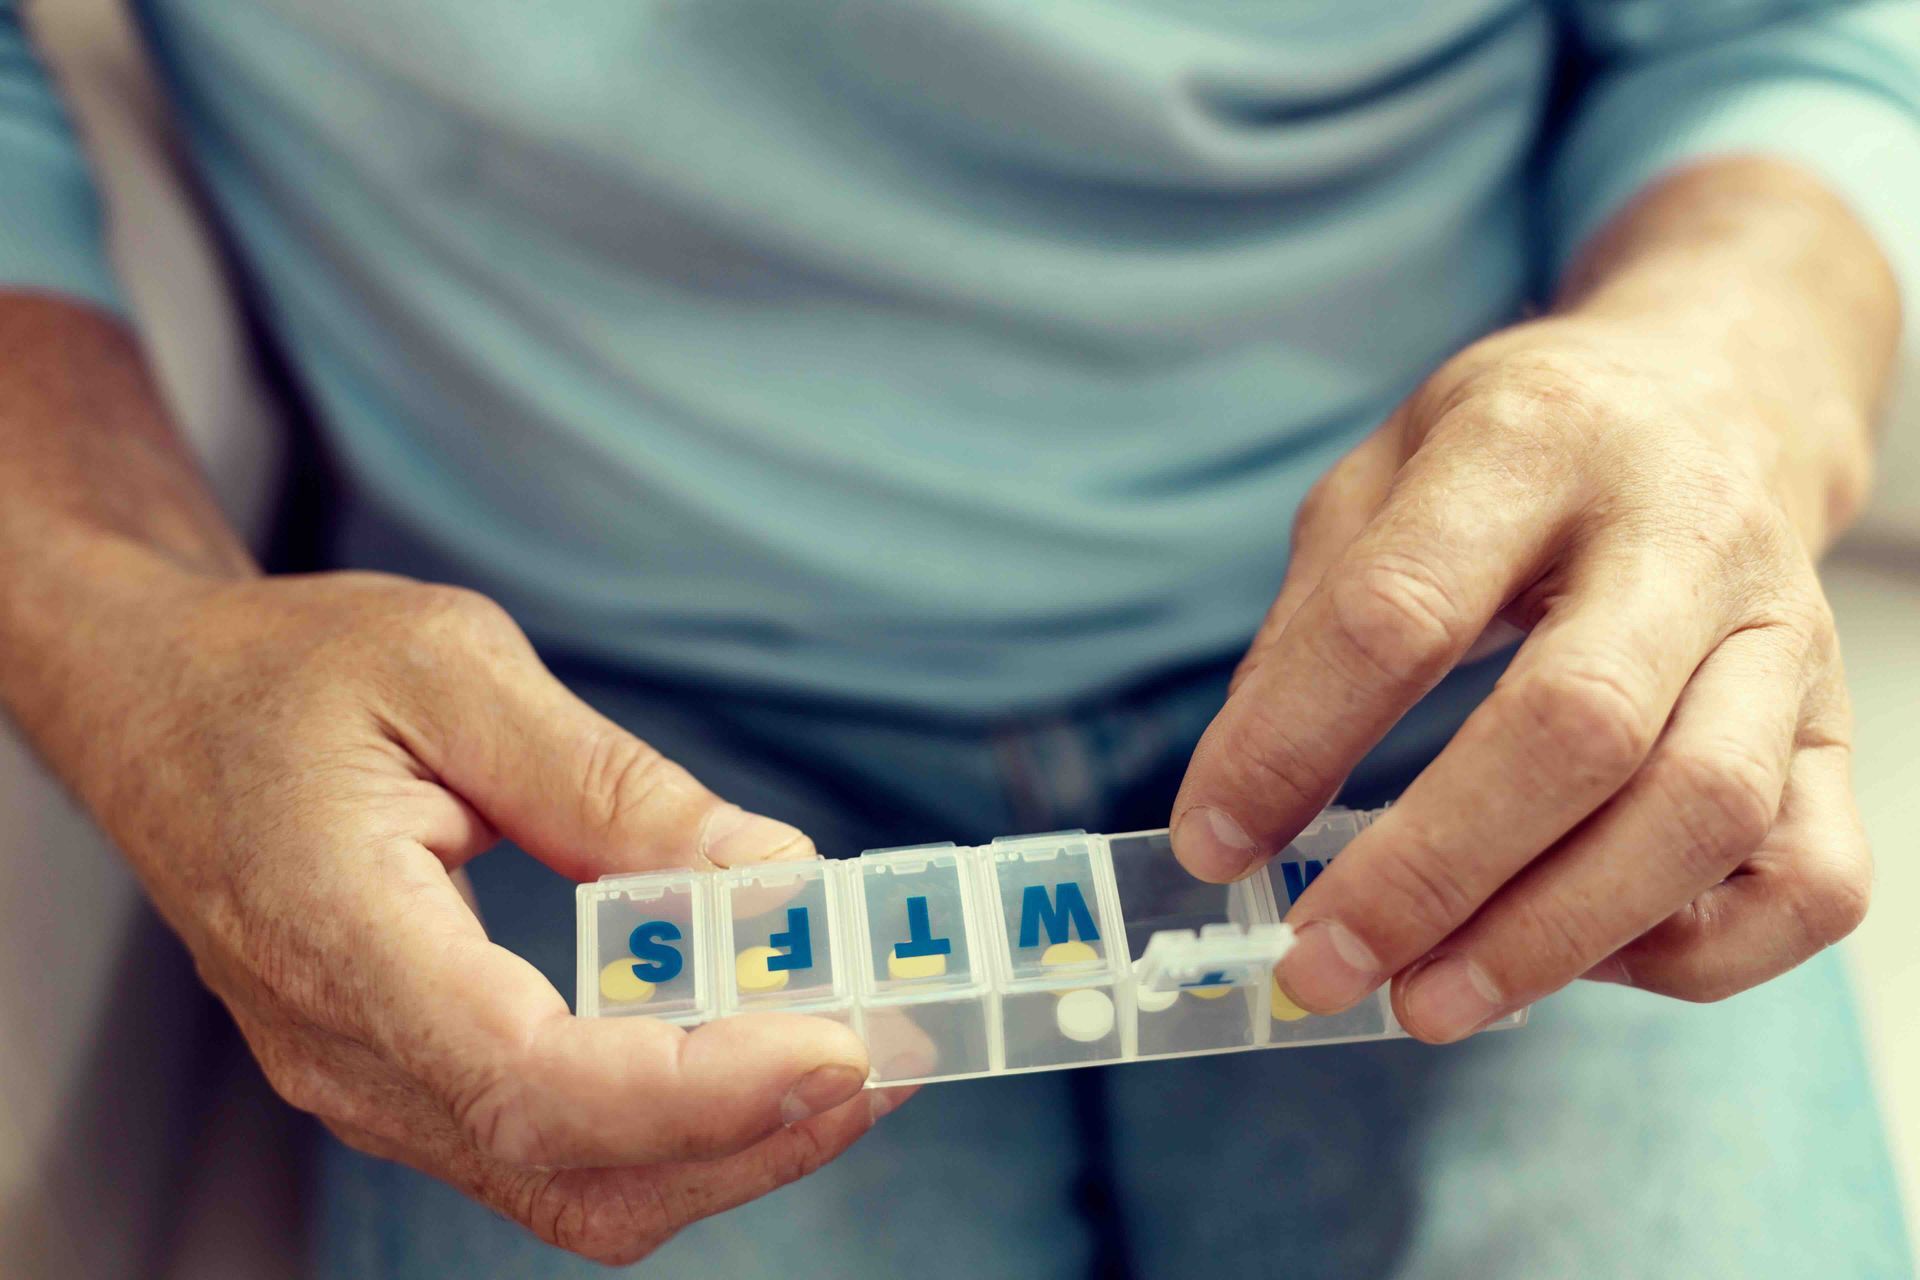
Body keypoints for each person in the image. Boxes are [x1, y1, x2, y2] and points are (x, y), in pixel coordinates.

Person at [2, 0, 1915, 1275]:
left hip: (1461, 659)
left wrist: (1717, 371)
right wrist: (120, 612)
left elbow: (1776, 34)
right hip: (569, 736)